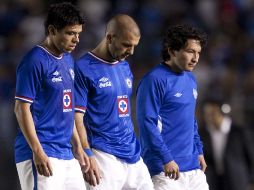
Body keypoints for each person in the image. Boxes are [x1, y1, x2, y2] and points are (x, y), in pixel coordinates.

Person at [14, 2, 89, 190]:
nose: (76, 39)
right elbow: (21, 108)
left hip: (66, 154)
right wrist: (37, 151)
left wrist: (78, 146)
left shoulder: (68, 61)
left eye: (78, 34)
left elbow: (67, 109)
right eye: (71, 33)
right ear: (52, 30)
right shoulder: (34, 60)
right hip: (42, 152)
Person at [74, 14, 154, 190]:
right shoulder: (83, 68)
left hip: (133, 155)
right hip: (103, 155)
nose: (131, 51)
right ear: (110, 37)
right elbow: (76, 117)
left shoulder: (124, 66)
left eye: (134, 46)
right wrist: (86, 153)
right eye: (127, 45)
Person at [136, 24, 209, 190]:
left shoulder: (191, 79)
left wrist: (199, 150)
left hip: (193, 167)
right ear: (172, 50)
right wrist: (166, 158)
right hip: (165, 169)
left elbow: (191, 120)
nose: (196, 58)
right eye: (190, 51)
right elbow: (147, 124)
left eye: (198, 52)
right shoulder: (154, 80)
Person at [200, 99, 254, 190]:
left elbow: (251, 157)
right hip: (214, 182)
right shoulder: (203, 133)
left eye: (212, 113)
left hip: (237, 182)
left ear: (222, 111)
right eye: (207, 114)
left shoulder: (239, 132)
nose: (209, 118)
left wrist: (252, 181)